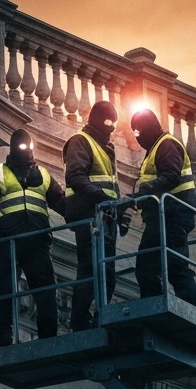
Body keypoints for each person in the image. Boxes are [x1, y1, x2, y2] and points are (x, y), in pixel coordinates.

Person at [0, 128, 66, 346]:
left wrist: (85, 217)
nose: (25, 151)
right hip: (7, 243)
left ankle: (49, 336)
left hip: (37, 243)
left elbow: (62, 203)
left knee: (45, 289)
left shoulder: (44, 175)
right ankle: (3, 337)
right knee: (3, 290)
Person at [62, 100, 127, 330]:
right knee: (90, 268)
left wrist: (120, 212)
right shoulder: (81, 142)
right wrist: (102, 199)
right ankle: (80, 320)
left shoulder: (107, 149)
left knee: (107, 272)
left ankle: (101, 316)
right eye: (109, 121)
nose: (112, 127)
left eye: (115, 123)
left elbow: (112, 188)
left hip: (106, 218)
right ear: (97, 119)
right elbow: (76, 178)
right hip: (89, 216)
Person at [129, 108, 196, 306]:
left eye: (137, 131)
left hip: (171, 215)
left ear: (147, 128)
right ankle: (187, 309)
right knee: (173, 266)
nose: (137, 137)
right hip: (167, 216)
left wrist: (146, 192)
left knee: (150, 266)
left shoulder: (166, 145)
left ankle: (159, 307)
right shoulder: (157, 147)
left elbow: (170, 176)